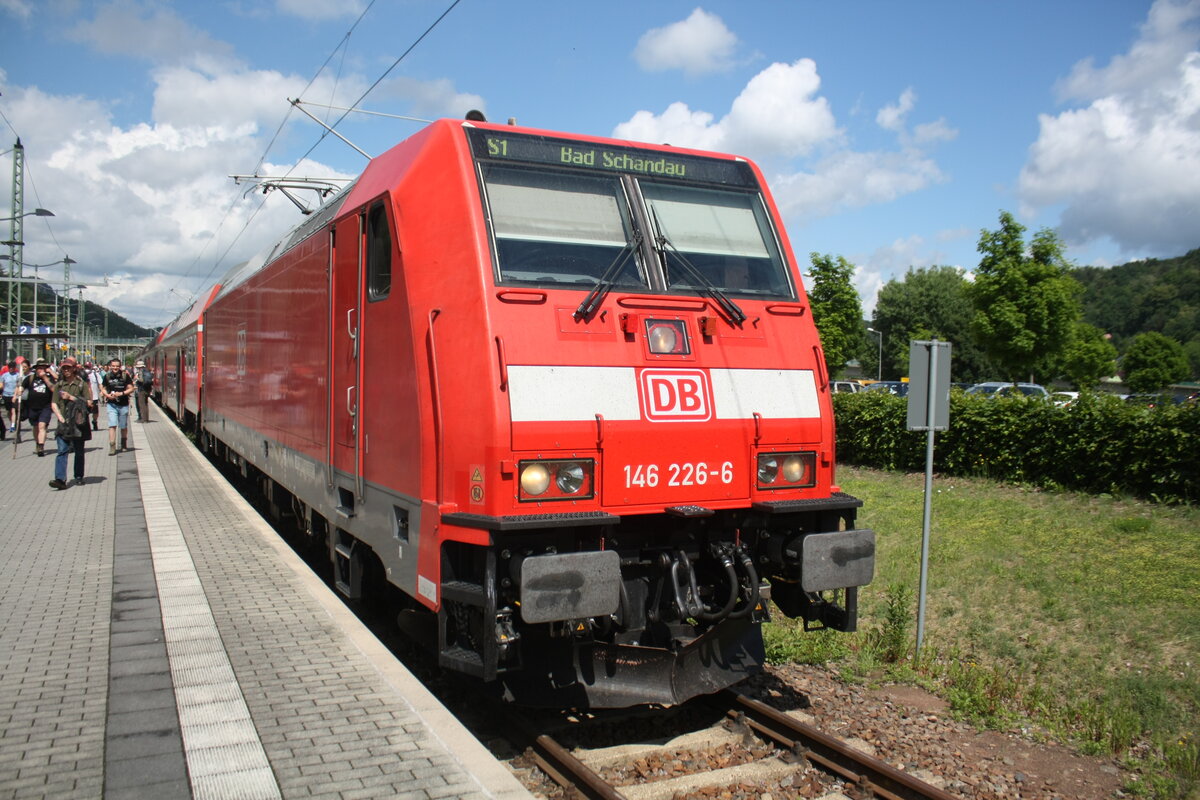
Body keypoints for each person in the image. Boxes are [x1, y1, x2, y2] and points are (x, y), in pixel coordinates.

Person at [48, 357, 93, 490]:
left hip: (78, 423)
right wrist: (59, 416)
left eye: (68, 368)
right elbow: (54, 403)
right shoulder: (59, 385)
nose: (66, 370)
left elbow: (89, 403)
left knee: (79, 451)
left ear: (74, 369)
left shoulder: (81, 384)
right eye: (64, 368)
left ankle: (79, 476)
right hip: (64, 422)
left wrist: (71, 398)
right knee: (62, 450)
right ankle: (60, 479)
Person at [17, 359, 55, 456]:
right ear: (36, 369)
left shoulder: (49, 378)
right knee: (36, 427)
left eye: (43, 368)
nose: (41, 370)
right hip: (32, 407)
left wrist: (45, 378)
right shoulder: (30, 378)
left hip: (46, 406)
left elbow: (53, 389)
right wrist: (19, 391)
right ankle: (37, 443)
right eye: (39, 368)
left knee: (42, 426)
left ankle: (41, 447)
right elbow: (21, 387)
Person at [101, 357, 134, 454]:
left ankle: (124, 444)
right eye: (113, 366)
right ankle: (112, 446)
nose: (115, 368)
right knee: (112, 425)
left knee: (123, 426)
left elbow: (131, 388)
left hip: (123, 404)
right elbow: (103, 388)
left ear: (120, 367)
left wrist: (122, 393)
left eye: (117, 366)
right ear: (110, 366)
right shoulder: (107, 376)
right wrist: (107, 395)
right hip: (111, 404)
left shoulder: (125, 376)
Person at [1, 360, 21, 439]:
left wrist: (15, 395)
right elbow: (2, 385)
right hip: (6, 395)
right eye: (10, 368)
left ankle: (13, 425)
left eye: (12, 367)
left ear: (15, 368)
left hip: (14, 395)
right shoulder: (4, 375)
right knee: (9, 411)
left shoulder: (17, 375)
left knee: (13, 410)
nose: (11, 369)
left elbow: (18, 386)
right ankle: (12, 422)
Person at [85, 362, 102, 431]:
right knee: (85, 412)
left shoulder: (95, 374)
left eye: (88, 367)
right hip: (85, 397)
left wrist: (101, 391)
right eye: (86, 367)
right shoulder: (82, 375)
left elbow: (100, 383)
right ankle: (86, 425)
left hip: (94, 397)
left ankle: (94, 421)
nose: (87, 369)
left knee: (95, 412)